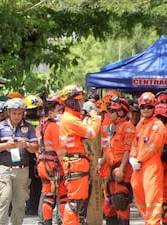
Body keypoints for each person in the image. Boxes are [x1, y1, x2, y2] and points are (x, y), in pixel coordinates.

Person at [0, 97, 39, 225]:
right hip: (4, 168)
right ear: (8, 112)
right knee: (4, 198)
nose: (17, 116)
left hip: (22, 169)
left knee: (20, 203)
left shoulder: (29, 128)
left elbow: (35, 148)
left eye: (20, 113)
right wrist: (5, 146)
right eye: (14, 113)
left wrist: (26, 144)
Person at [58, 84, 101, 225]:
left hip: (76, 162)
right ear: (71, 101)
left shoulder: (71, 117)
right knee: (75, 202)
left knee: (78, 201)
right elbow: (91, 132)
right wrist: (95, 116)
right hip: (75, 163)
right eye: (79, 99)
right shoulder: (70, 119)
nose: (82, 103)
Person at [129, 92, 165, 225]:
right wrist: (132, 158)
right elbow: (134, 143)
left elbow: (153, 146)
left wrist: (138, 159)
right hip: (138, 167)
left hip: (151, 166)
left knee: (152, 201)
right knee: (140, 199)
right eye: (143, 107)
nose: (146, 110)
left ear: (154, 108)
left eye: (149, 107)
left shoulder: (157, 125)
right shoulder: (140, 125)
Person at [100, 97, 136, 225]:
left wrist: (121, 169)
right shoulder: (114, 128)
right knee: (109, 207)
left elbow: (128, 150)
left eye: (112, 111)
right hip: (111, 171)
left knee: (121, 202)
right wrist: (101, 163)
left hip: (122, 170)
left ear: (121, 112)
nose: (109, 114)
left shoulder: (127, 127)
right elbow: (109, 149)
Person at [36, 97, 67, 225]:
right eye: (58, 111)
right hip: (53, 165)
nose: (60, 113)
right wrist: (66, 168)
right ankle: (66, 221)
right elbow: (60, 151)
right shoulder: (54, 127)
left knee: (48, 196)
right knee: (63, 196)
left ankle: (46, 222)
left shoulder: (41, 125)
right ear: (50, 113)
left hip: (42, 164)